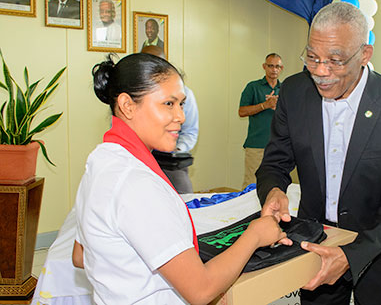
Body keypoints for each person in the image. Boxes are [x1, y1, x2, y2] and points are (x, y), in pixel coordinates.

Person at [71, 53, 287, 304]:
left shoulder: (102, 160)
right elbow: (201, 290)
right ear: (128, 105)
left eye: (182, 104)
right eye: (168, 104)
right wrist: (255, 235)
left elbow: (81, 254)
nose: (181, 117)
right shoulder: (137, 184)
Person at [256, 2, 381, 305]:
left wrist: (350, 255)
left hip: (379, 256)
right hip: (315, 252)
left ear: (364, 54)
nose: (321, 71)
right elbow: (274, 163)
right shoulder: (294, 93)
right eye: (312, 57)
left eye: (335, 60)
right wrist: (273, 191)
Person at [141, 45, 198, 193]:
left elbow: (190, 131)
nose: (179, 116)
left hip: (170, 163)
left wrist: (175, 149)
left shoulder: (184, 93)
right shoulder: (132, 96)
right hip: (139, 161)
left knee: (184, 203)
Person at [238, 53, 283, 188]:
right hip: (256, 145)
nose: (274, 70)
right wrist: (265, 105)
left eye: (277, 66)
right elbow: (242, 112)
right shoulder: (253, 87)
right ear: (264, 67)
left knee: (277, 184)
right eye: (270, 66)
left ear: (281, 69)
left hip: (279, 146)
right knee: (252, 184)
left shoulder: (285, 89)